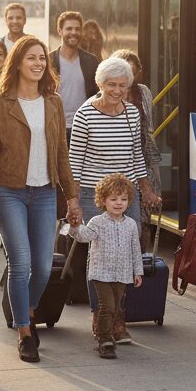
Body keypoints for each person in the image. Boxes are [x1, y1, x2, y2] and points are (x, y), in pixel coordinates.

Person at [0, 36, 81, 364]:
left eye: (42, 58)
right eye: (31, 58)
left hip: (44, 193)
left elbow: (62, 154)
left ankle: (25, 308)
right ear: (18, 63)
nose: (38, 63)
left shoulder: (52, 103)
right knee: (21, 262)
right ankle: (25, 332)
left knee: (41, 266)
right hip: (9, 192)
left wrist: (72, 197)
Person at [70, 56, 162, 344]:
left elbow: (137, 155)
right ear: (100, 84)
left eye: (123, 85)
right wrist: (72, 200)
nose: (118, 90)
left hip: (126, 191)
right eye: (112, 85)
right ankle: (102, 318)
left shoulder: (131, 113)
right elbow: (74, 162)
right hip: (92, 193)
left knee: (127, 250)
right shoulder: (85, 114)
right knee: (98, 254)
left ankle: (119, 318)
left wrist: (146, 189)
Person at [69, 173, 144, 360]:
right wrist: (74, 226)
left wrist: (138, 271)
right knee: (107, 306)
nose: (119, 203)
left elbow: (136, 249)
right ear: (103, 200)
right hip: (101, 273)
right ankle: (104, 339)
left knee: (116, 307)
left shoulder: (131, 225)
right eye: (114, 199)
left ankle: (109, 333)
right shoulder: (97, 222)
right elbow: (82, 237)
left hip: (123, 274)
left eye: (123, 199)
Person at [110, 49, 162, 246]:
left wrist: (156, 174)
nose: (127, 79)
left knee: (142, 221)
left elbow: (149, 132)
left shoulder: (144, 92)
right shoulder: (105, 95)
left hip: (142, 164)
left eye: (132, 73)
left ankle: (139, 266)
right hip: (116, 167)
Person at [50, 11, 99, 141]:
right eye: (69, 28)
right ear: (59, 31)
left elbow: (98, 94)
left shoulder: (91, 61)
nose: (74, 32)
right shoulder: (48, 61)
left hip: (84, 127)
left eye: (77, 29)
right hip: (55, 128)